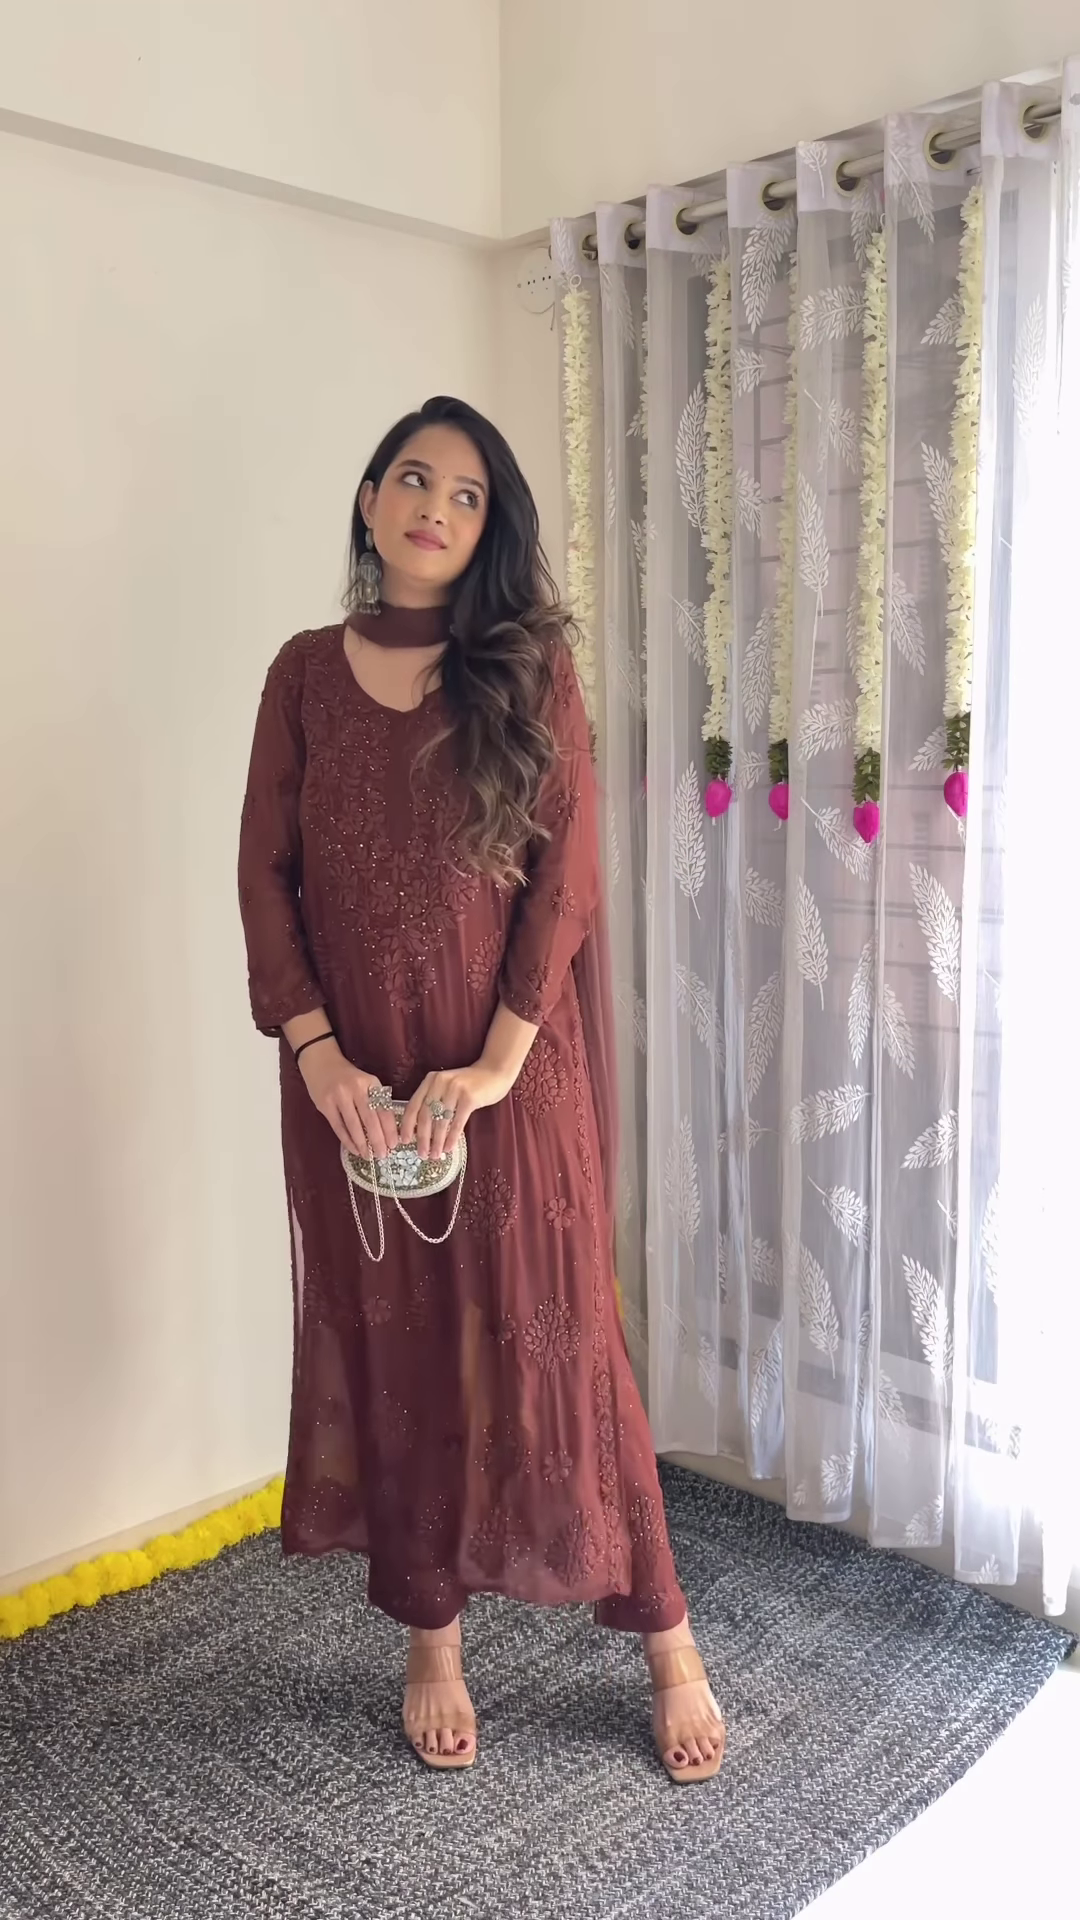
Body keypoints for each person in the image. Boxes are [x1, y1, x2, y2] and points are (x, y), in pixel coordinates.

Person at [237, 396, 725, 1782]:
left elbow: (566, 874)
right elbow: (263, 874)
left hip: (509, 1072)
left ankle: (667, 1635)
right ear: (370, 498)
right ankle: (432, 1637)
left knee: (566, 1345)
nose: (435, 509)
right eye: (413, 479)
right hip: (354, 1087)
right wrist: (319, 1054)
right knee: (398, 1348)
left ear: (488, 528)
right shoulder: (301, 675)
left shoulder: (527, 668)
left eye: (466, 495)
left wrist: (498, 1062)